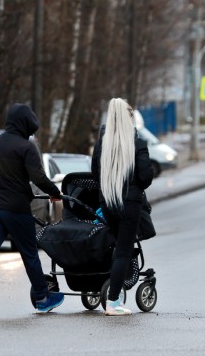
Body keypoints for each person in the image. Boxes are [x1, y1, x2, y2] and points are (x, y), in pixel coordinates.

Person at [0, 103, 64, 318]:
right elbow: (37, 177)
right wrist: (55, 192)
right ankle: (42, 298)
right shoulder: (26, 147)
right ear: (26, 124)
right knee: (29, 254)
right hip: (16, 209)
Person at [91, 98, 154, 316]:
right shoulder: (137, 144)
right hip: (130, 204)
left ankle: (111, 288)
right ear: (129, 119)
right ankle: (113, 301)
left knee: (118, 246)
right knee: (123, 252)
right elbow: (145, 178)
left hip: (107, 202)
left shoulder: (102, 144)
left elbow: (94, 173)